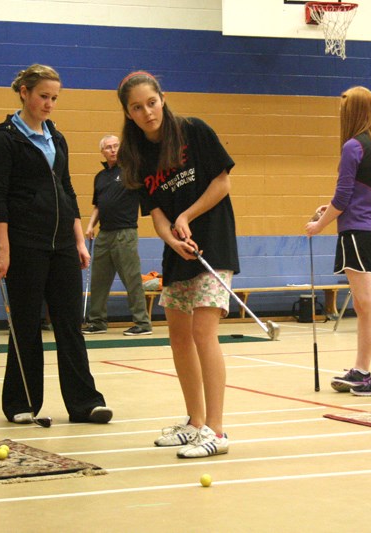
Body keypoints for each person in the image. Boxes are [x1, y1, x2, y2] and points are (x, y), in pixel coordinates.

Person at [117, 71, 238, 458]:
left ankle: (216, 432)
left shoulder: (194, 131)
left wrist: (186, 215)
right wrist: (171, 237)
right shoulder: (133, 155)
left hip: (213, 245)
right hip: (178, 251)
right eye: (137, 107)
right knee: (179, 336)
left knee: (204, 332)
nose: (147, 112)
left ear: (163, 99)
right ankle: (195, 422)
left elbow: (222, 183)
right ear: (128, 113)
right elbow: (155, 213)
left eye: (151, 102)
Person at [0, 64, 112, 425]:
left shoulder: (57, 138)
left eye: (54, 98)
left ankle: (85, 403)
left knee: (70, 323)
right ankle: (21, 402)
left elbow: (66, 191)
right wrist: (2, 248)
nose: (49, 104)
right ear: (24, 92)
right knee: (25, 323)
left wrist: (79, 242)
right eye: (43, 96)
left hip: (62, 246)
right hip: (24, 244)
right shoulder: (1, 140)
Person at [306, 86, 371, 397]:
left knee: (370, 303)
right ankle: (361, 369)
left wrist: (320, 223)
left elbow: (343, 198)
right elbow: (355, 196)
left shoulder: (352, 147)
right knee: (363, 304)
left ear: (353, 111)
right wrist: (329, 209)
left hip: (357, 233)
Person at [81, 134, 152, 336]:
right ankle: (97, 321)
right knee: (99, 279)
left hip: (125, 233)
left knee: (131, 279)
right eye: (108, 147)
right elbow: (98, 205)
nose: (112, 150)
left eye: (115, 146)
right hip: (104, 234)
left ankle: (142, 323)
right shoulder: (100, 177)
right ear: (102, 152)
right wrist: (90, 225)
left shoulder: (132, 170)